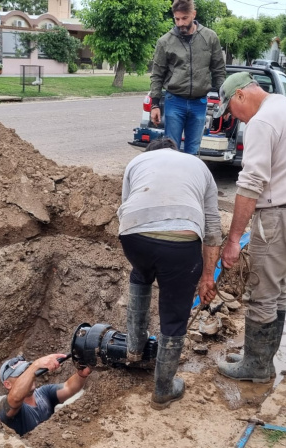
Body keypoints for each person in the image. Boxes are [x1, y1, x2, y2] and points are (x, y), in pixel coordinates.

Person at [213, 72, 286, 383]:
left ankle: (257, 367)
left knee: (261, 291)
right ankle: (259, 357)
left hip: (280, 217)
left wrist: (233, 239)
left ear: (241, 96)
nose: (234, 118)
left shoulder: (262, 121)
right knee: (277, 289)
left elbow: (250, 183)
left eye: (231, 110)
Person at [118, 137, 222, 409]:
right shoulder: (198, 165)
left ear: (152, 152)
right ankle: (163, 388)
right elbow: (212, 229)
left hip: (133, 237)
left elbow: (126, 208)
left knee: (140, 273)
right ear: (175, 151)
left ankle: (134, 349)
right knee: (174, 313)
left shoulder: (136, 162)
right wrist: (207, 277)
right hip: (181, 243)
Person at [149, 0, 226, 155]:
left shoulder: (210, 38)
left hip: (199, 102)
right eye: (177, 19)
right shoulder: (165, 41)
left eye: (184, 18)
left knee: (193, 149)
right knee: (171, 149)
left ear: (193, 14)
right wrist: (155, 104)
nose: (180, 23)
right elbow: (157, 75)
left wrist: (224, 100)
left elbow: (218, 70)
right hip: (174, 101)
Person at [0, 354, 91, 436]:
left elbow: (69, 387)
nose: (30, 376)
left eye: (28, 370)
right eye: (22, 374)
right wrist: (35, 365)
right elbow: (15, 398)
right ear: (8, 384)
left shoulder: (44, 393)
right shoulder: (5, 407)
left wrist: (82, 374)